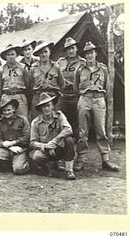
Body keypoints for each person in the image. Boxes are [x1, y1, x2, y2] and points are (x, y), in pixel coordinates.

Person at [74, 41, 119, 172]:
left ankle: (105, 160)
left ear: (96, 53)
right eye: (87, 53)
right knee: (83, 131)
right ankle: (81, 160)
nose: (89, 56)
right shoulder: (80, 69)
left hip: (99, 99)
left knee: (101, 130)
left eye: (91, 53)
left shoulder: (103, 69)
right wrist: (84, 97)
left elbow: (107, 88)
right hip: (85, 99)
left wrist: (99, 98)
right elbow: (76, 88)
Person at [56, 37, 86, 172]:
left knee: (79, 128)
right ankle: (63, 158)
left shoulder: (83, 63)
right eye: (68, 49)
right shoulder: (60, 63)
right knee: (62, 127)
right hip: (63, 98)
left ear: (76, 49)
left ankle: (80, 159)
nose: (71, 51)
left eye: (73, 48)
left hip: (77, 98)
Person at [30, 92, 76, 180]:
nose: (46, 108)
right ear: (40, 109)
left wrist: (54, 142)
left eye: (48, 105)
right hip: (46, 150)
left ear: (52, 106)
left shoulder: (59, 116)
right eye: (43, 106)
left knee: (69, 140)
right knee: (36, 156)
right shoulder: (36, 122)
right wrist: (46, 146)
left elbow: (68, 129)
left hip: (59, 148)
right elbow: (32, 143)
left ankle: (69, 170)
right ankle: (46, 167)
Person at [0, 98, 30, 175]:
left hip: (20, 149)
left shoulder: (22, 120)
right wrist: (9, 146)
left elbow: (27, 137)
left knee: (18, 170)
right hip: (6, 149)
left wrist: (14, 142)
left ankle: (28, 164)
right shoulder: (0, 122)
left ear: (14, 109)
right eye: (4, 111)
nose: (7, 112)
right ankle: (10, 163)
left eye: (9, 110)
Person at [30, 41, 65, 119]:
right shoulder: (33, 68)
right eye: (41, 53)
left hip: (52, 97)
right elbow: (30, 84)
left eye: (45, 52)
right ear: (38, 54)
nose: (43, 54)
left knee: (55, 121)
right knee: (37, 120)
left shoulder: (56, 66)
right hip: (38, 97)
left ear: (50, 52)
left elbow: (62, 84)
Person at [0, 44, 30, 119]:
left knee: (23, 119)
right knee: (6, 120)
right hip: (6, 97)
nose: (11, 56)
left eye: (12, 54)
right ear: (5, 57)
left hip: (20, 97)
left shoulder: (23, 68)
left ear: (16, 55)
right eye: (8, 55)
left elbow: (28, 84)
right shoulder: (1, 69)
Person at [19, 39, 38, 113]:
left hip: (35, 93)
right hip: (25, 93)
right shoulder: (20, 64)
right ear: (22, 52)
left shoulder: (37, 62)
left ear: (32, 50)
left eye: (29, 49)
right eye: (25, 50)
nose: (27, 52)